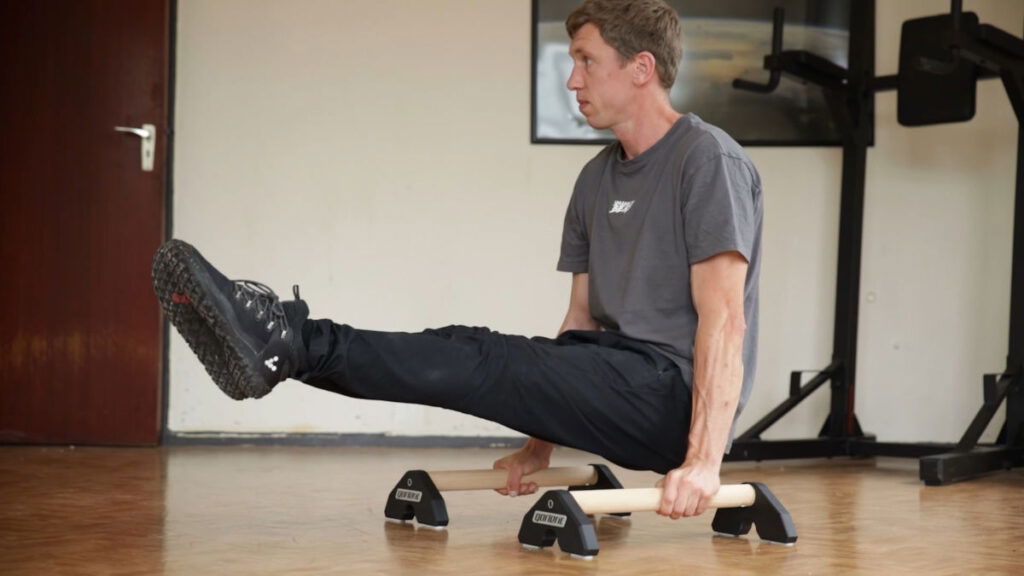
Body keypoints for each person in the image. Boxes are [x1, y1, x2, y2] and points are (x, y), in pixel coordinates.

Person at [152, 0, 762, 520]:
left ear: (641, 69)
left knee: (487, 358)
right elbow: (579, 328)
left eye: (585, 60)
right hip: (612, 376)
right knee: (467, 346)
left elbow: (725, 322)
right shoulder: (595, 178)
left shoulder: (707, 161)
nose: (573, 80)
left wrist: (704, 462)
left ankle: (289, 338)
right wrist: (538, 450)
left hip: (671, 398)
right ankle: (288, 348)